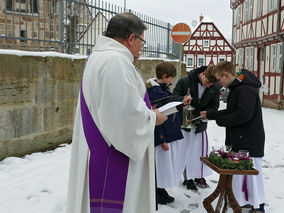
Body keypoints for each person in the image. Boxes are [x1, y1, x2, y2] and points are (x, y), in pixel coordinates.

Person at [66, 13, 168, 213]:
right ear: (131, 38)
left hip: (101, 147)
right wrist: (153, 117)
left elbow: (116, 106)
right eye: (142, 41)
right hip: (114, 155)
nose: (141, 47)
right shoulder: (116, 62)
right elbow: (124, 118)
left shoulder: (99, 57)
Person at [200, 61, 265, 213]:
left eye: (219, 79)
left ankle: (258, 206)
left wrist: (221, 120)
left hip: (249, 140)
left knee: (252, 177)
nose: (219, 83)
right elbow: (231, 111)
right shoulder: (237, 88)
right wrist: (212, 114)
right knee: (241, 177)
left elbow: (243, 114)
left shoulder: (245, 89)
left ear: (226, 75)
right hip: (240, 138)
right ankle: (242, 203)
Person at [146, 62, 191, 206]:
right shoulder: (154, 92)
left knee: (165, 166)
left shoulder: (164, 90)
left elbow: (169, 105)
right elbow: (155, 118)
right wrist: (162, 139)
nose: (172, 81)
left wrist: (182, 103)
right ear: (164, 76)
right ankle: (157, 192)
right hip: (162, 137)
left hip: (169, 134)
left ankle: (161, 190)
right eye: (171, 78)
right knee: (160, 167)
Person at [173, 65, 220, 191]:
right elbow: (174, 97)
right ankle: (187, 178)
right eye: (207, 82)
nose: (209, 86)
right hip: (184, 124)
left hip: (200, 125)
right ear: (203, 74)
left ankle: (198, 175)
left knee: (199, 152)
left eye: (211, 84)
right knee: (185, 152)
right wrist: (182, 100)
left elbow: (214, 106)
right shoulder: (185, 81)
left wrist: (207, 113)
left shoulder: (214, 86)